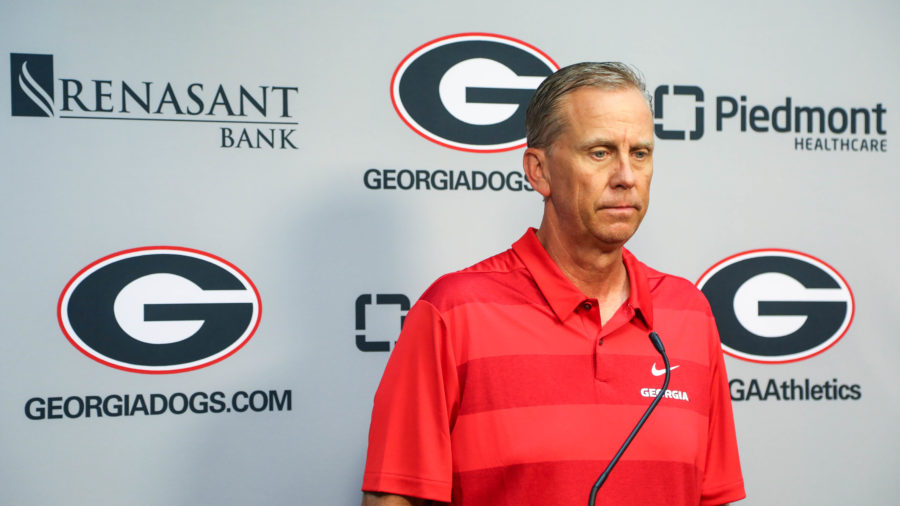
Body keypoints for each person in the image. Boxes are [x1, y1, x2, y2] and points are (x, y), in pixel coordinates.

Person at [361, 62, 745, 506]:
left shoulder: (689, 313)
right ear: (538, 171)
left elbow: (712, 497)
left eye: (640, 153)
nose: (626, 176)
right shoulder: (453, 312)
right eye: (599, 152)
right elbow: (394, 499)